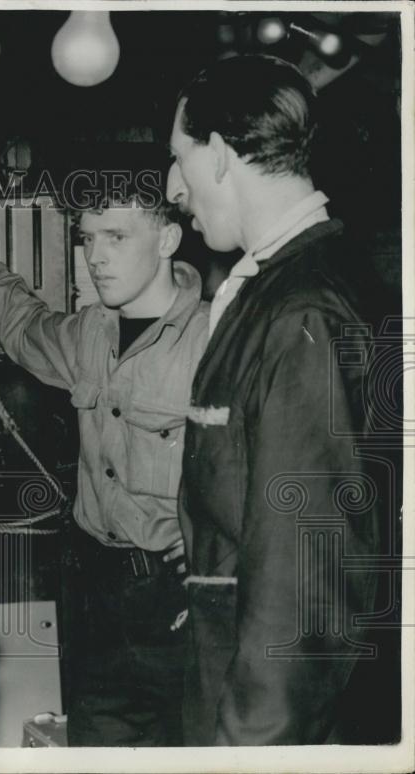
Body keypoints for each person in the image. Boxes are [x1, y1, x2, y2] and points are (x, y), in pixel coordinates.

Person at [0, 174, 208, 745]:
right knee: (94, 746)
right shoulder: (89, 334)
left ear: (169, 239)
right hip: (91, 588)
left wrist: (213, 562)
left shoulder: (215, 342)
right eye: (87, 238)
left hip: (173, 602)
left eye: (116, 238)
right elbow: (19, 321)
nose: (95, 258)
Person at [165, 54, 385, 745]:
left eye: (183, 158)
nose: (177, 187)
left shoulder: (300, 311)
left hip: (263, 728)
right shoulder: (286, 281)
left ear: (223, 155)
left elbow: (302, 583)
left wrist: (251, 748)